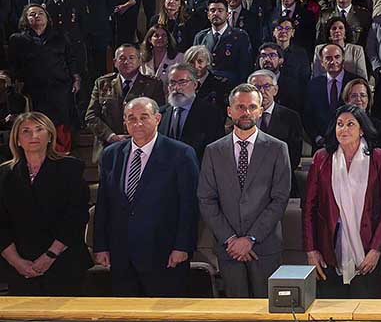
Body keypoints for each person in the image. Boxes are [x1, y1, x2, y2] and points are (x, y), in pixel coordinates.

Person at [93, 97, 200, 297]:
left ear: (157, 118)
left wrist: (182, 246)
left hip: (165, 253)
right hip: (121, 255)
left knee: (164, 319)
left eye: (144, 117)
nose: (137, 123)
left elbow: (189, 206)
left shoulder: (181, 154)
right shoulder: (111, 154)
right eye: (131, 118)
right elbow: (103, 205)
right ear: (124, 121)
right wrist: (101, 246)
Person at [197, 84, 291, 298]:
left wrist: (250, 239)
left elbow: (279, 199)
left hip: (265, 248)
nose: (246, 112)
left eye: (252, 107)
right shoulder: (213, 151)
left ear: (260, 110)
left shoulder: (278, 148)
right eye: (240, 107)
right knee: (234, 312)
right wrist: (231, 239)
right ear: (229, 111)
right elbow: (206, 199)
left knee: (266, 312)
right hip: (228, 249)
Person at [303, 104, 381, 297]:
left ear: (362, 129)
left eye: (350, 124)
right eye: (339, 124)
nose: (343, 129)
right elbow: (309, 207)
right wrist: (311, 249)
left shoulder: (378, 158)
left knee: (366, 311)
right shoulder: (322, 159)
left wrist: (376, 249)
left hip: (368, 247)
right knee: (331, 311)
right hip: (330, 248)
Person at [0, 112, 90, 295]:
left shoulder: (70, 168)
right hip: (20, 267)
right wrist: (16, 261)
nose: (33, 136)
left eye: (39, 129)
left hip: (63, 263)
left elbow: (75, 218)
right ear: (17, 139)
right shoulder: (4, 174)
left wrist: (49, 256)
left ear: (49, 136)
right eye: (26, 131)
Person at [7, 4, 81, 147]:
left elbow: (71, 59)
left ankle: (62, 155)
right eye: (32, 14)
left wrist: (76, 78)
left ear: (47, 17)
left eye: (40, 13)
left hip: (60, 87)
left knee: (62, 125)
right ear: (26, 20)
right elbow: (13, 64)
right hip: (33, 90)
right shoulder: (17, 39)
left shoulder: (60, 36)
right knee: (38, 125)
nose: (37, 16)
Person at [84, 44, 166, 159]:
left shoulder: (153, 85)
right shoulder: (102, 83)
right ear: (115, 62)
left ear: (139, 61)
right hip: (108, 149)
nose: (127, 62)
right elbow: (91, 116)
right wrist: (111, 136)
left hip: (142, 148)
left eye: (131, 58)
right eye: (122, 58)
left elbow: (159, 115)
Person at [159, 63, 227, 164]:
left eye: (182, 82)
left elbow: (215, 151)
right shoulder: (161, 113)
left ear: (195, 85)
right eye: (172, 83)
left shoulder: (211, 113)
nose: (176, 88)